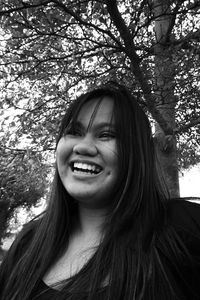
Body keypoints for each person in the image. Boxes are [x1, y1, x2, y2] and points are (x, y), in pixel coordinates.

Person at [0, 82, 200, 300]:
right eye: (74, 132)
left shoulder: (183, 229)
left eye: (106, 135)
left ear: (137, 153)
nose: (83, 147)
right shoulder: (28, 242)